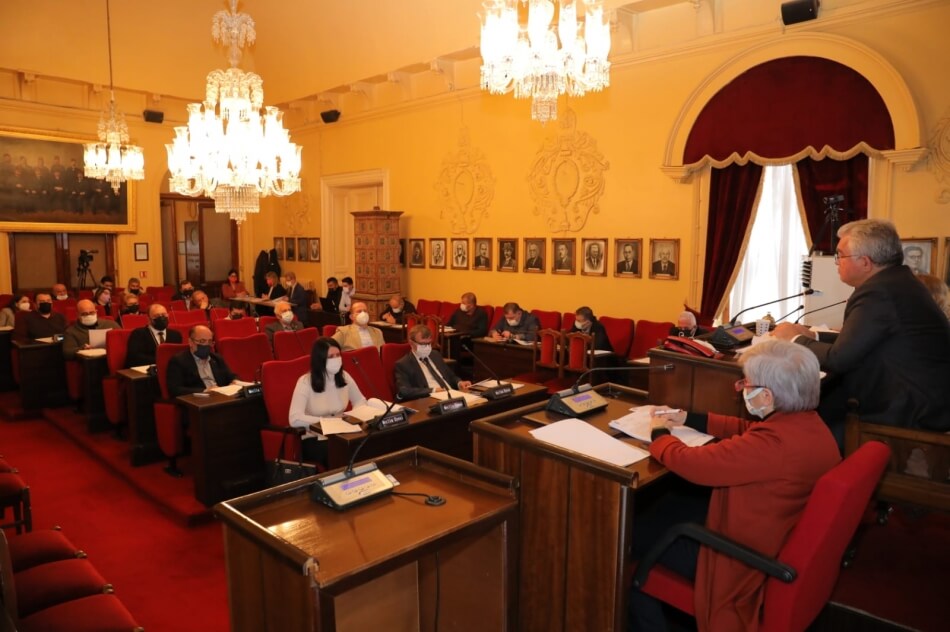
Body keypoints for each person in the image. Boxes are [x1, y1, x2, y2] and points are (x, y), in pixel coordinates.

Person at [629, 340, 840, 632]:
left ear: (766, 396)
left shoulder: (774, 446)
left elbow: (693, 464)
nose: (741, 390)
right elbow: (748, 431)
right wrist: (689, 418)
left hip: (734, 559)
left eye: (745, 384)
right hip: (764, 536)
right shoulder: (808, 425)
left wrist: (660, 434)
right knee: (668, 506)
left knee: (627, 533)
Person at [773, 219, 950, 435]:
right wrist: (812, 335)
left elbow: (839, 359)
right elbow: (862, 340)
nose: (836, 262)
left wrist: (793, 339)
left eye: (840, 255)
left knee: (806, 420)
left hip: (907, 411)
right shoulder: (899, 281)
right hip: (926, 400)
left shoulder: (879, 292)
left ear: (865, 262)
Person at [289, 337, 367, 465]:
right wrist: (327, 423)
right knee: (343, 453)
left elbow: (360, 401)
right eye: (331, 356)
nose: (336, 359)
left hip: (342, 434)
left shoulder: (344, 376)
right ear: (320, 360)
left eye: (338, 355)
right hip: (316, 438)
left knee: (365, 445)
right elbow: (294, 418)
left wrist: (352, 418)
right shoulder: (305, 382)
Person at [395, 325, 472, 400]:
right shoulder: (404, 364)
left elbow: (450, 376)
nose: (427, 347)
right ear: (411, 342)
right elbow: (404, 391)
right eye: (422, 344)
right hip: (430, 400)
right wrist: (433, 391)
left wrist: (459, 383)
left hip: (452, 395)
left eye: (429, 343)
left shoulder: (435, 355)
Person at [166, 325, 238, 397]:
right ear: (190, 342)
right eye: (202, 341)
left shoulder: (216, 358)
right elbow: (175, 389)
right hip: (199, 401)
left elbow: (231, 376)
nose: (206, 345)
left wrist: (235, 381)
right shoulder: (179, 361)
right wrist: (205, 391)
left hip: (221, 397)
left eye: (209, 341)